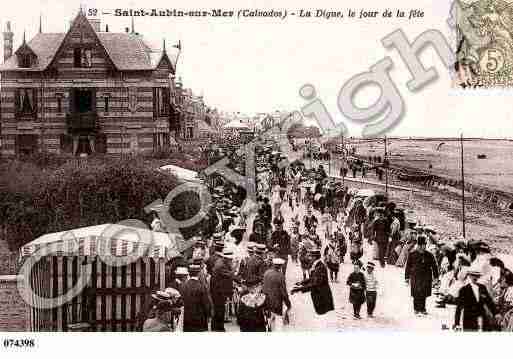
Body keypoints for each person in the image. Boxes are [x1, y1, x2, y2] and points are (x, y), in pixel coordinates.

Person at [454, 264, 498, 331]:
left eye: (477, 275)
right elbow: (459, 308)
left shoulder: (482, 288)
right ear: (469, 275)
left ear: (479, 276)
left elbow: (489, 301)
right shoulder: (463, 290)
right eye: (473, 275)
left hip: (481, 317)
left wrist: (496, 313)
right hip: (469, 318)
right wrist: (456, 323)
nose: (475, 277)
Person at [291, 248, 334, 317]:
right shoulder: (317, 265)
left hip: (322, 299)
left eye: (310, 256)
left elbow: (315, 284)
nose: (309, 258)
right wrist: (301, 282)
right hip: (320, 297)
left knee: (322, 317)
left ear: (314, 257)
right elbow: (312, 278)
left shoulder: (320, 267)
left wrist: (299, 289)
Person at [405, 235, 439, 315]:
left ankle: (423, 308)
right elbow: (408, 266)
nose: (423, 247)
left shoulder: (429, 255)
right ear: (419, 245)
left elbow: (434, 266)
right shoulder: (412, 254)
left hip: (426, 276)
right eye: (422, 245)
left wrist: (436, 277)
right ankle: (416, 309)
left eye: (425, 245)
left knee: (423, 292)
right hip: (415, 276)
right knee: (416, 292)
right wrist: (407, 277)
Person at [210, 249, 239, 331]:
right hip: (218, 291)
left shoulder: (222, 262)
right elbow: (230, 274)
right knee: (219, 310)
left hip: (219, 290)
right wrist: (236, 266)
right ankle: (218, 328)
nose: (231, 260)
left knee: (219, 310)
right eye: (231, 259)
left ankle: (217, 327)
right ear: (226, 258)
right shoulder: (221, 265)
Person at [262, 258, 292, 332]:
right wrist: (288, 303)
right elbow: (283, 292)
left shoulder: (266, 273)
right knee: (278, 324)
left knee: (269, 320)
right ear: (280, 266)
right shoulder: (280, 276)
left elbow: (264, 287)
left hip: (267, 301)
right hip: (277, 303)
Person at [181, 264, 212, 332]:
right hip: (199, 319)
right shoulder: (201, 286)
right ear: (198, 273)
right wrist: (208, 314)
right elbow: (205, 303)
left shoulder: (184, 286)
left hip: (187, 319)